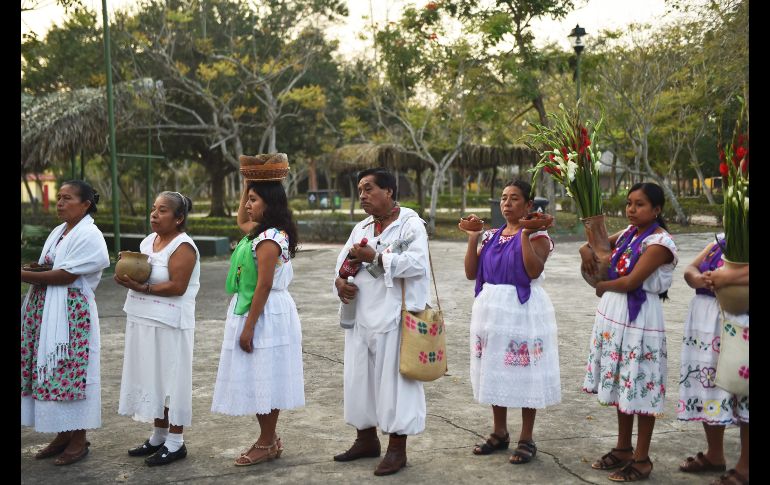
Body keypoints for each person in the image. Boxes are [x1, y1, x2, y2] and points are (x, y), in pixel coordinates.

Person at [332, 167, 431, 476]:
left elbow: (416, 264)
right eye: (360, 189)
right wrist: (339, 282)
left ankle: (396, 449)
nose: (362, 195)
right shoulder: (362, 225)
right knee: (359, 379)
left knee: (395, 383)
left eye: (368, 188)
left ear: (389, 191)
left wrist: (375, 257)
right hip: (361, 313)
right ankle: (366, 440)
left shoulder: (411, 225)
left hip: (394, 315)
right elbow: (342, 262)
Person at [580, 182, 677, 482]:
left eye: (640, 204)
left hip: (641, 320)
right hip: (614, 316)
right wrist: (587, 251)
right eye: (629, 203)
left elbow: (632, 282)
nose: (631, 210)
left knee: (641, 383)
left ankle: (642, 458)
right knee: (624, 382)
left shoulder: (659, 243)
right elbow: (593, 246)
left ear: (657, 209)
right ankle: (623, 448)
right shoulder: (629, 234)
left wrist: (601, 286)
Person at [460, 179, 560, 465]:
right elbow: (471, 273)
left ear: (529, 205)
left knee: (527, 372)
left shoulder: (539, 237)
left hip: (522, 309)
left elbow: (531, 271)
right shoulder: (491, 236)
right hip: (491, 311)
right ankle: (499, 431)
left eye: (515, 198)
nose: (507, 203)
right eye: (504, 198)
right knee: (494, 368)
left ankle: (526, 438)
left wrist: (526, 234)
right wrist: (472, 237)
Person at [211, 179, 304, 467]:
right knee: (257, 376)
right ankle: (270, 439)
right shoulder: (260, 231)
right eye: (248, 199)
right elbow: (241, 219)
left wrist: (249, 326)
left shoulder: (269, 239)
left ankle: (266, 442)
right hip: (255, 308)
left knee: (266, 377)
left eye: (254, 199)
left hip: (265, 312)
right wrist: (248, 185)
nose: (248, 205)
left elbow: (263, 285)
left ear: (270, 204)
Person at [21, 180, 110, 466]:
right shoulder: (60, 232)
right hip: (47, 309)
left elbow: (65, 276)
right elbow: (49, 266)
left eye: (67, 198)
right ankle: (62, 435)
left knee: (72, 375)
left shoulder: (90, 235)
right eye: (59, 198)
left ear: (85, 204)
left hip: (72, 316)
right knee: (51, 375)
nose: (59, 203)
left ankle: (78, 439)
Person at [114, 191, 200, 466]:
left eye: (163, 210)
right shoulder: (149, 241)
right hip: (143, 317)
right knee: (153, 378)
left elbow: (177, 286)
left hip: (170, 323)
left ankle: (176, 442)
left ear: (179, 219)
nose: (154, 214)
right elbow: (142, 270)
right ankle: (159, 435)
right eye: (153, 208)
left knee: (171, 380)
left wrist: (145, 288)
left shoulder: (184, 247)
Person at [676, 237, 749, 485]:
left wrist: (726, 278)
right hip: (708, 325)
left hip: (741, 323)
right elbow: (690, 269)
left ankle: (746, 466)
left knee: (744, 392)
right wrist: (699, 279)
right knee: (710, 386)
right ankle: (715, 454)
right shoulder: (721, 240)